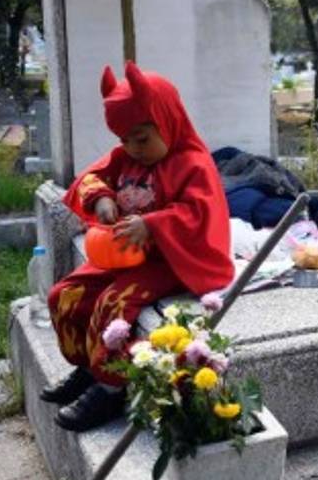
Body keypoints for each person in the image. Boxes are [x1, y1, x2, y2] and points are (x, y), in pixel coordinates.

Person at [42, 62, 234, 431]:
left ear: (166, 119)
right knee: (65, 294)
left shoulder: (193, 164)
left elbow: (199, 214)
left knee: (114, 303)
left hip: (170, 262)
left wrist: (153, 224)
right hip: (124, 257)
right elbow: (92, 177)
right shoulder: (127, 156)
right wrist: (100, 197)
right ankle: (87, 367)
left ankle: (112, 387)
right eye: (124, 139)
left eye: (142, 138)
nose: (133, 148)